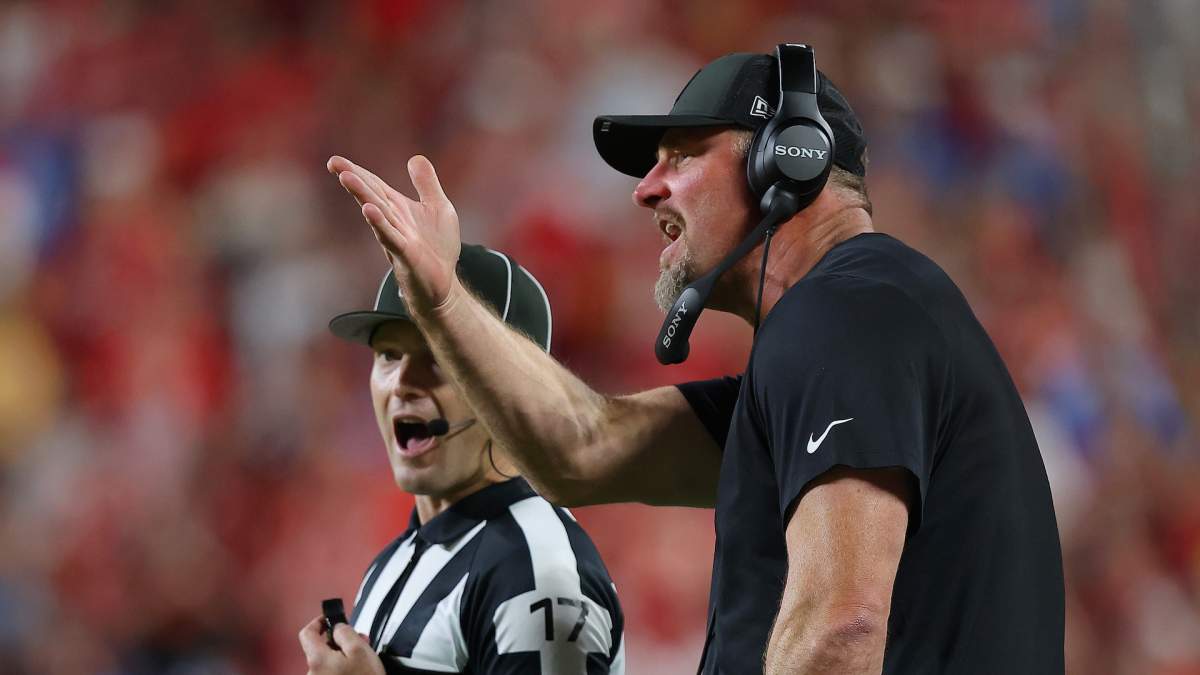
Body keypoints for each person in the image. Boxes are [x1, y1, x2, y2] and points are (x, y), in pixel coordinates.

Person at [326, 47, 1065, 674]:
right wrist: (441, 298)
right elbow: (582, 447)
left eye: (680, 157)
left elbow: (839, 631)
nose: (646, 190)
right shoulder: (842, 334)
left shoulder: (847, 313)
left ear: (787, 158)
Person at [297, 245, 625, 675]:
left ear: (523, 387)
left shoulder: (537, 569)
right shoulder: (397, 559)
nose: (402, 383)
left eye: (440, 357)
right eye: (389, 354)